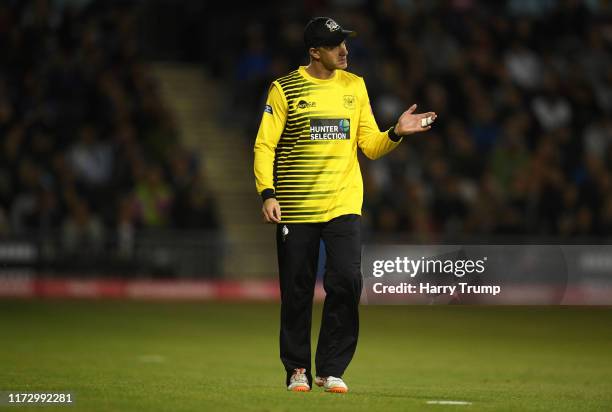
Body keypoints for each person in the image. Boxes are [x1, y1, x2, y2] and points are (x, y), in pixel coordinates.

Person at [253, 16, 436, 393]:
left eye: (345, 43)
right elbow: (264, 145)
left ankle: (331, 368)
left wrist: (396, 133)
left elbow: (369, 146)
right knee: (297, 290)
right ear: (314, 51)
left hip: (343, 204)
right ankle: (297, 369)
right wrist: (267, 193)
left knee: (347, 281)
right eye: (335, 45)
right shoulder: (284, 89)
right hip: (296, 206)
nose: (344, 50)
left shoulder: (356, 87)